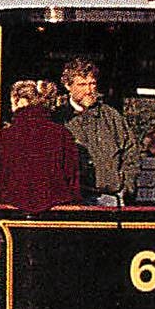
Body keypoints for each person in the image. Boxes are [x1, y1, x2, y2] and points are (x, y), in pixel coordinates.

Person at [0, 80, 80, 211]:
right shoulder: (62, 135)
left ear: (19, 101)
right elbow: (72, 176)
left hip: (11, 208)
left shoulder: (4, 137)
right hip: (56, 210)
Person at [58, 58, 138, 206]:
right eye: (82, 84)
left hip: (111, 198)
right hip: (74, 201)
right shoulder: (59, 119)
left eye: (92, 84)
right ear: (68, 86)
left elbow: (131, 153)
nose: (89, 90)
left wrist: (127, 187)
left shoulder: (112, 117)